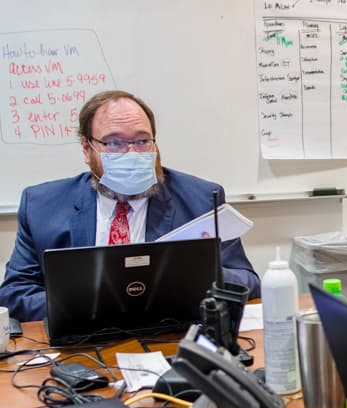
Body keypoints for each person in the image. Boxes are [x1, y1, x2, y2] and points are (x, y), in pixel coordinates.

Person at [0, 90, 260, 322]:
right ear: (86, 147)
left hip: (171, 337)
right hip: (81, 344)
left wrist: (203, 276)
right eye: (114, 142)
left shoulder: (201, 199)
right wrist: (89, 307)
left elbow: (249, 281)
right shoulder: (42, 206)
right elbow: (15, 294)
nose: (132, 153)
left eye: (141, 141)